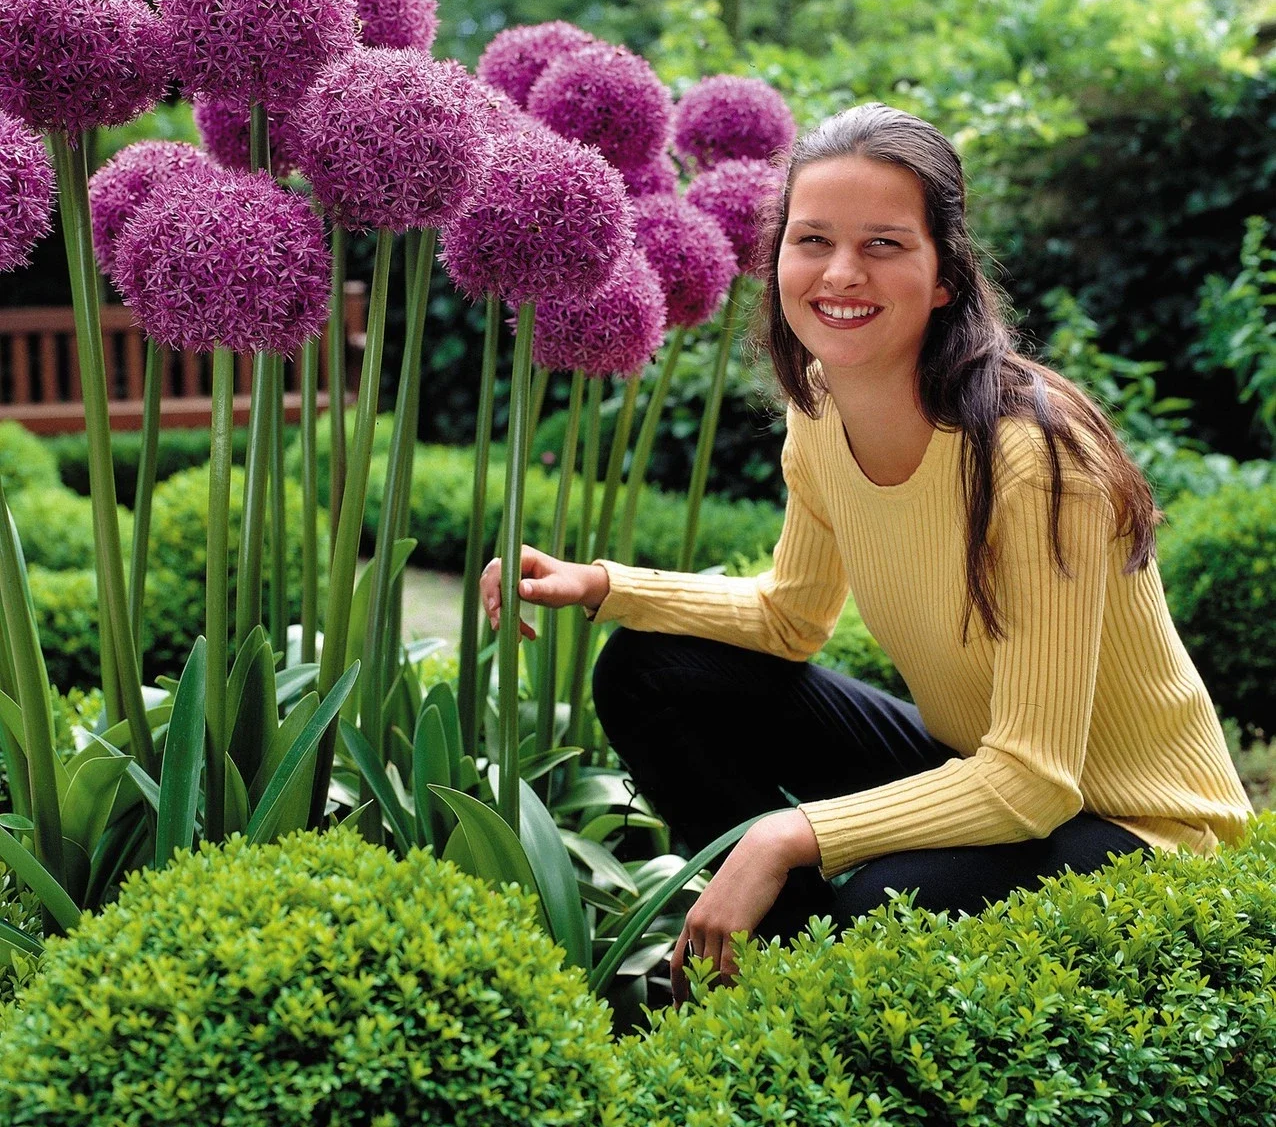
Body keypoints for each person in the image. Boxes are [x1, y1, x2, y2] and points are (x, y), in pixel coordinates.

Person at [478, 102, 1253, 1010]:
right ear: (778, 264)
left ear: (943, 279)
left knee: (886, 906)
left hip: (1138, 823)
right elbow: (790, 618)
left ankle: (790, 966)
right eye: (813, 240)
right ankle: (764, 971)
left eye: (884, 244)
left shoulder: (1032, 458)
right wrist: (603, 585)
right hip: (983, 767)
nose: (841, 273)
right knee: (654, 668)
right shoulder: (820, 419)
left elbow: (1038, 780)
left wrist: (781, 836)